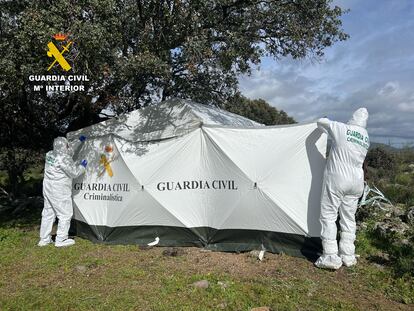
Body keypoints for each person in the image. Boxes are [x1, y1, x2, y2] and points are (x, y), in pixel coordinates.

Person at [315, 108, 370, 269]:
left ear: (352, 117)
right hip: (357, 181)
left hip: (338, 178)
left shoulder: (342, 128)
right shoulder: (365, 137)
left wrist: (326, 118)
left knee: (329, 215)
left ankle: (330, 256)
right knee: (348, 218)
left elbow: (321, 122)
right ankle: (348, 255)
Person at [38, 136, 87, 247]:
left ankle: (44, 239)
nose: (68, 147)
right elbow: (74, 173)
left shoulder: (50, 154)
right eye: (67, 145)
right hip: (59, 189)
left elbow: (67, 150)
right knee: (65, 214)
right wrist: (82, 166)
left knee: (48, 213)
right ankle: (61, 239)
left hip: (48, 187)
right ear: (64, 146)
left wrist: (79, 141)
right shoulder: (64, 159)